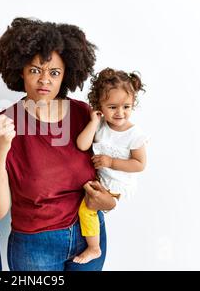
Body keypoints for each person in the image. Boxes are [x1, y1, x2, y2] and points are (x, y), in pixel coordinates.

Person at [0, 18, 116, 271]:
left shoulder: (83, 114)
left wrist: (109, 202)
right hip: (35, 246)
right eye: (35, 70)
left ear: (66, 75)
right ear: (20, 70)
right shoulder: (3, 125)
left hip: (89, 235)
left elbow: (109, 166)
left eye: (54, 72)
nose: (44, 80)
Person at [74, 68, 148, 263]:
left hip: (117, 183)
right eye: (113, 107)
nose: (120, 113)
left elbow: (140, 164)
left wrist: (111, 162)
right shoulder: (100, 125)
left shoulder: (134, 134)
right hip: (102, 179)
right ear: (100, 106)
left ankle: (94, 248)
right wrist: (93, 122)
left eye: (126, 106)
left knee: (86, 209)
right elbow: (82, 144)